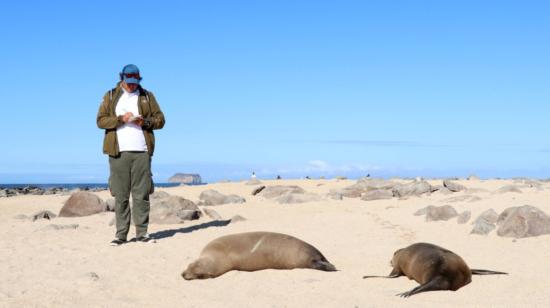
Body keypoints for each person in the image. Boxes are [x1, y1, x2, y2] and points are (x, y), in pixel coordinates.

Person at [96, 64, 165, 246]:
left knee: (141, 194)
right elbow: (100, 121)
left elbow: (161, 120)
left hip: (142, 151)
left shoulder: (147, 96)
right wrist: (120, 119)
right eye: (129, 83)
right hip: (117, 151)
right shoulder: (110, 96)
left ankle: (142, 234)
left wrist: (145, 121)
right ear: (122, 78)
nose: (132, 86)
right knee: (121, 195)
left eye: (135, 82)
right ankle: (121, 235)